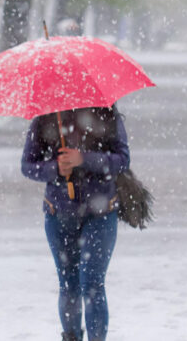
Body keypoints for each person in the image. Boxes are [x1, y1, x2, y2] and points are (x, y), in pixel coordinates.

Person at [21, 105, 130, 341]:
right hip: (58, 214)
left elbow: (122, 160)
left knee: (92, 284)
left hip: (100, 214)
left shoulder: (106, 111)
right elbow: (27, 166)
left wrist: (84, 159)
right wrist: (55, 168)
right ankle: (71, 337)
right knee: (69, 285)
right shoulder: (45, 117)